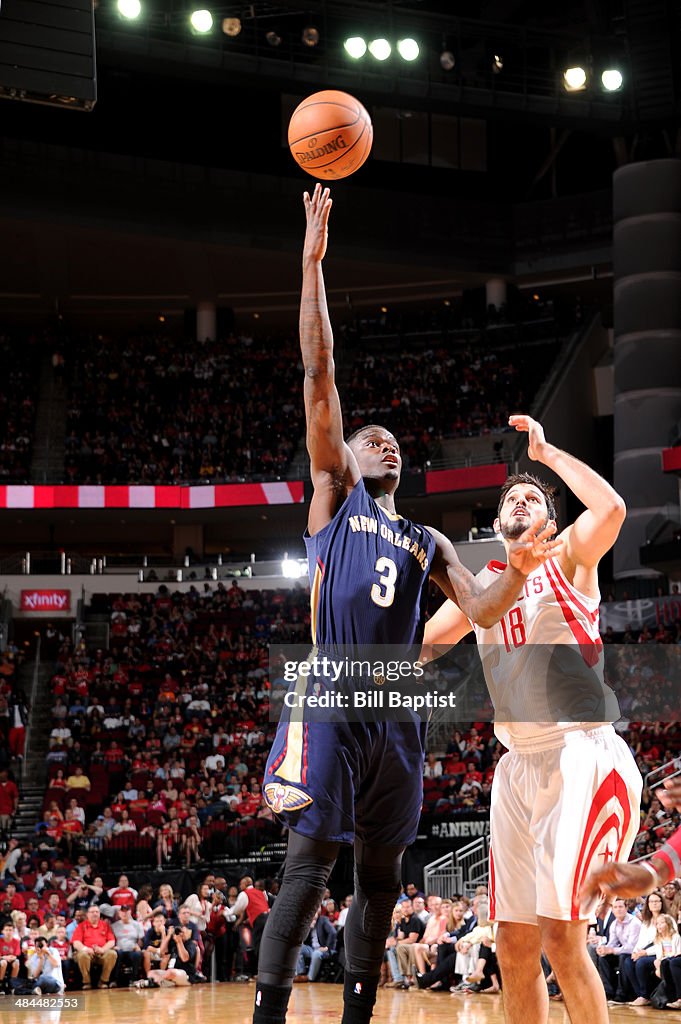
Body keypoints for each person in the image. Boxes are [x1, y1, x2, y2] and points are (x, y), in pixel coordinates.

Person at [253, 184, 559, 1024]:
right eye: (367, 437)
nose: (383, 439)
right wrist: (311, 265)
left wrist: (520, 565)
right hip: (330, 695)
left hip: (395, 710)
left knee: (382, 878)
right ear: (343, 458)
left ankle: (356, 1014)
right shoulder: (335, 498)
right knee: (308, 870)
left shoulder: (430, 540)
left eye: (391, 441)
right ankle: (267, 1014)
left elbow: (487, 609)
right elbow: (320, 372)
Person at [423, 414, 643, 1024]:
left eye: (533, 497)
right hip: (517, 768)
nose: (521, 499)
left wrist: (547, 458)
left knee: (561, 939)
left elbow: (614, 509)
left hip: (580, 753)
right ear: (497, 527)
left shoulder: (570, 555)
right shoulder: (486, 586)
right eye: (511, 498)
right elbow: (427, 642)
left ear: (547, 517)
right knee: (513, 945)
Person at [70, 904, 117, 989]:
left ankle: (103, 981)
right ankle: (86, 982)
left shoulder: (105, 925)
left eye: (97, 912)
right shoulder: (81, 926)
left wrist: (103, 949)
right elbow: (76, 943)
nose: (95, 914)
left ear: (99, 914)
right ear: (87, 914)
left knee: (112, 954)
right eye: (92, 912)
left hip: (102, 953)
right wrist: (86, 949)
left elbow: (111, 941)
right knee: (82, 955)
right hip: (87, 953)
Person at [293, 908, 337, 982]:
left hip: (325, 949)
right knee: (298, 948)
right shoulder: (308, 923)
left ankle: (310, 977)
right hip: (312, 948)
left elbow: (333, 932)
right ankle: (300, 974)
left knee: (316, 953)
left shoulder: (323, 920)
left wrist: (327, 947)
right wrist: (308, 928)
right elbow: (304, 939)